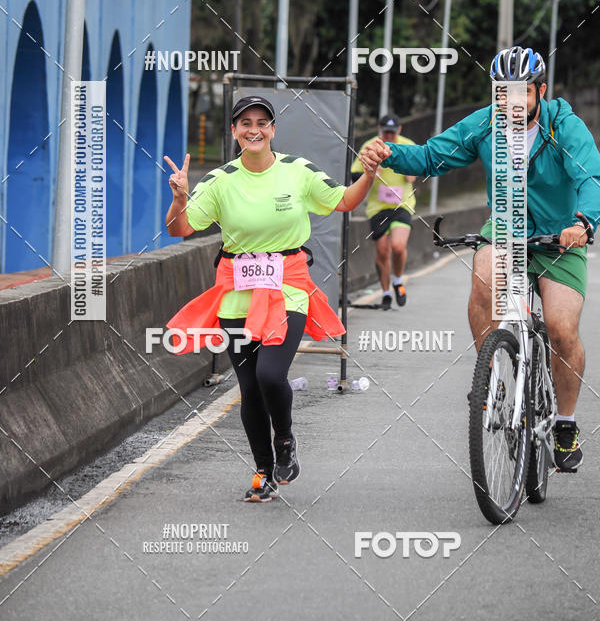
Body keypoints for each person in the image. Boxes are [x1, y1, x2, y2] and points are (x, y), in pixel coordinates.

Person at [360, 47, 600, 473]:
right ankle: (489, 373)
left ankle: (564, 423)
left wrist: (583, 222)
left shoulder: (564, 125)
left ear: (540, 92)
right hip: (507, 227)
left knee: (563, 332)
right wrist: (389, 154)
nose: (511, 102)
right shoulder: (485, 124)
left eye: (522, 92)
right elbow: (433, 156)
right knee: (484, 279)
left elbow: (590, 176)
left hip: (561, 235)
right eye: (502, 93)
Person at [165, 95, 381, 501]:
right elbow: (179, 230)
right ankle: (263, 472)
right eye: (245, 122)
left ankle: (285, 440)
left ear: (273, 130)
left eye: (262, 122)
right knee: (249, 388)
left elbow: (345, 201)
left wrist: (367, 175)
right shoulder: (220, 180)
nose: (254, 129)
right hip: (237, 294)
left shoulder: (298, 172)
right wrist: (179, 198)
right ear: (234, 131)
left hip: (288, 289)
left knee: (269, 375)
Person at [351, 113, 417, 309]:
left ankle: (397, 280)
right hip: (378, 207)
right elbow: (354, 175)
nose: (389, 136)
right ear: (380, 130)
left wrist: (407, 169)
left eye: (392, 133)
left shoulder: (408, 145)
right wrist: (370, 172)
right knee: (382, 252)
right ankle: (386, 292)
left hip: (402, 205)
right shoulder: (370, 146)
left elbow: (416, 174)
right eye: (386, 133)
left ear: (399, 130)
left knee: (397, 246)